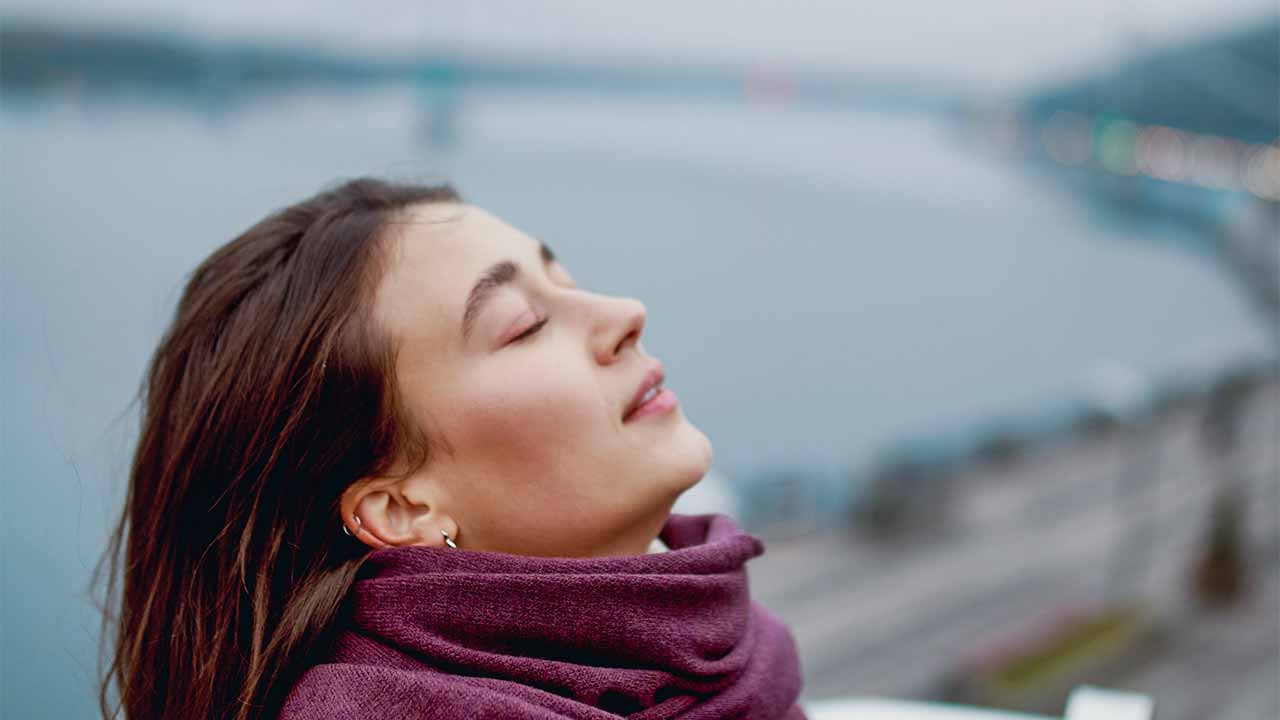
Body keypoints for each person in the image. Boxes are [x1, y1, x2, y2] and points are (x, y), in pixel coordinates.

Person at [95, 178, 805, 719]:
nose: (625, 314)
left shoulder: (737, 663)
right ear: (399, 507)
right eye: (525, 325)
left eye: (569, 282)